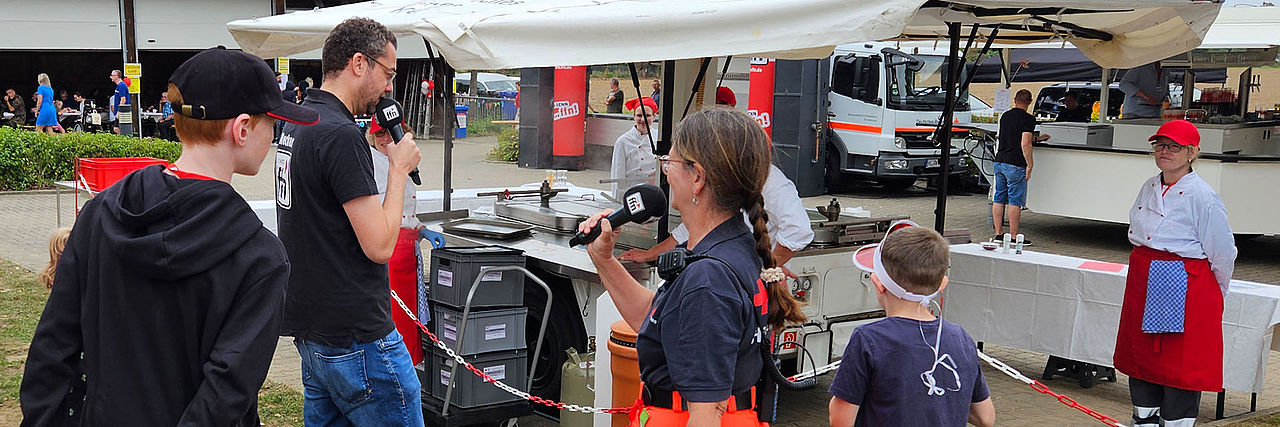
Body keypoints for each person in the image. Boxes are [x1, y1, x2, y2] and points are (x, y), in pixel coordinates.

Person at [20, 47, 319, 425]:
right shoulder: (261, 257)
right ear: (242, 129)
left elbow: (51, 351)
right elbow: (225, 393)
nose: (274, 134)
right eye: (271, 123)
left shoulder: (100, 213)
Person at [581, 108, 807, 426]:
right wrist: (603, 259)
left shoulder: (709, 279)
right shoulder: (730, 247)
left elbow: (706, 414)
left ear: (697, 177)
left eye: (670, 162)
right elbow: (655, 319)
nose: (666, 173)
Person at [275, 17, 425, 425]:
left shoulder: (298, 121)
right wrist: (397, 170)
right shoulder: (341, 134)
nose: (389, 88)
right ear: (359, 63)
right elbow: (379, 245)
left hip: (314, 331)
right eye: (388, 74)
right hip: (357, 338)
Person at [1113, 119, 1236, 427]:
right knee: (1142, 357)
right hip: (1145, 277)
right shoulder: (1149, 186)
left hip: (1186, 283)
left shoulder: (1203, 196)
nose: (1165, 151)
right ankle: (1144, 418)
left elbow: (1222, 251)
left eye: (1174, 147)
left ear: (1192, 153)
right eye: (1160, 146)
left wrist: (1216, 292)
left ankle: (1177, 421)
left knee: (1181, 363)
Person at [831, 222, 994, 427]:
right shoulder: (959, 337)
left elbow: (840, 420)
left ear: (878, 283)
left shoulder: (868, 339)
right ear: (942, 284)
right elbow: (985, 417)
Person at [366, 119, 446, 367]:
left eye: (390, 133)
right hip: (389, 252)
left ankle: (408, 366)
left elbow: (404, 209)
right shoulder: (370, 162)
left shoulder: (401, 163)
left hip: (407, 254)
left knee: (407, 318)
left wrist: (421, 229)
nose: (385, 139)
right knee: (394, 318)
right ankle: (395, 369)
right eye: (379, 134)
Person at [992, 89, 1049, 244]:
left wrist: (1038, 139)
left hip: (1000, 160)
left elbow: (1012, 136)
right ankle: (1013, 236)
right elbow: (1025, 143)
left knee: (999, 198)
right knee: (1015, 201)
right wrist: (1030, 164)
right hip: (1015, 163)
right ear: (1030, 102)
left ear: (1015, 100)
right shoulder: (1028, 119)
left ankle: (998, 234)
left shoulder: (1005, 116)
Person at [609, 96, 659, 199]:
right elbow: (618, 174)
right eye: (639, 115)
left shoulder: (659, 138)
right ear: (634, 116)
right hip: (633, 193)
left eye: (647, 115)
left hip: (655, 192)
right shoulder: (623, 141)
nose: (643, 120)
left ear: (654, 116)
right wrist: (617, 199)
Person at [109, 69, 130, 134]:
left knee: (118, 128)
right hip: (120, 112)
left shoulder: (121, 86)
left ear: (116, 76)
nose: (111, 77)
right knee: (116, 128)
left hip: (122, 112)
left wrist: (119, 112)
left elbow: (123, 99)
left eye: (112, 75)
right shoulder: (119, 86)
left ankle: (125, 138)